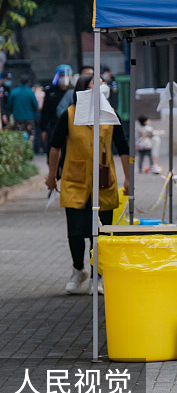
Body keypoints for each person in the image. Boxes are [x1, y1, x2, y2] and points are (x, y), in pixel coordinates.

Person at [44, 74, 131, 294]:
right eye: (96, 83)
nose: (102, 87)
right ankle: (78, 270)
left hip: (103, 183)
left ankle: (97, 276)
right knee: (75, 232)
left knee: (101, 234)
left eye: (102, 83)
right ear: (83, 89)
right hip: (75, 181)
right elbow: (55, 146)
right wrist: (51, 175)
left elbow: (123, 147)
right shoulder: (70, 115)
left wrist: (129, 178)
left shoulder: (110, 116)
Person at [40, 64, 73, 150]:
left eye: (67, 75)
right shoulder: (51, 92)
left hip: (71, 127)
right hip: (54, 126)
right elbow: (45, 112)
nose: (64, 78)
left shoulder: (74, 91)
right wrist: (43, 129)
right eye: (62, 75)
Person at [7, 75, 38, 142]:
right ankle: (29, 151)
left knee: (18, 138)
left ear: (20, 81)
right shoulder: (30, 92)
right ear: (28, 82)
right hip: (29, 118)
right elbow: (35, 105)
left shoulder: (14, 92)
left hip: (17, 118)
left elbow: (9, 104)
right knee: (30, 138)